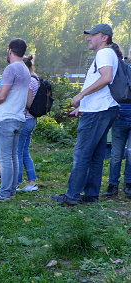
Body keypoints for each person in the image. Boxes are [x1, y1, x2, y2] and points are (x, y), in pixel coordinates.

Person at [52, 24, 120, 205]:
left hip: (98, 112)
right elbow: (104, 86)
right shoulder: (109, 54)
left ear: (104, 37)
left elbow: (106, 78)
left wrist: (81, 95)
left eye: (92, 35)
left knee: (82, 154)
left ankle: (72, 195)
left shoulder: (104, 53)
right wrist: (82, 107)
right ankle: (91, 196)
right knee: (96, 156)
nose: (88, 38)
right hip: (103, 109)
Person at [0, 39, 31, 201]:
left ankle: (4, 192)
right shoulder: (25, 69)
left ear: (10, 50)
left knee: (4, 159)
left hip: (6, 118)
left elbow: (2, 95)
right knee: (13, 157)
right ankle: (11, 190)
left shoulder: (11, 68)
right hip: (19, 117)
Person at [105, 45, 131, 198]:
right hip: (119, 120)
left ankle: (128, 183)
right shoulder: (111, 74)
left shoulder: (125, 71)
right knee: (116, 154)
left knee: (129, 153)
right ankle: (113, 184)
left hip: (125, 118)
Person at [16, 55, 40, 192]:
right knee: (25, 152)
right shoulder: (36, 78)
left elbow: (29, 103)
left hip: (26, 118)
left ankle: (17, 183)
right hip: (32, 119)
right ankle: (32, 181)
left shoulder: (29, 81)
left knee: (18, 152)